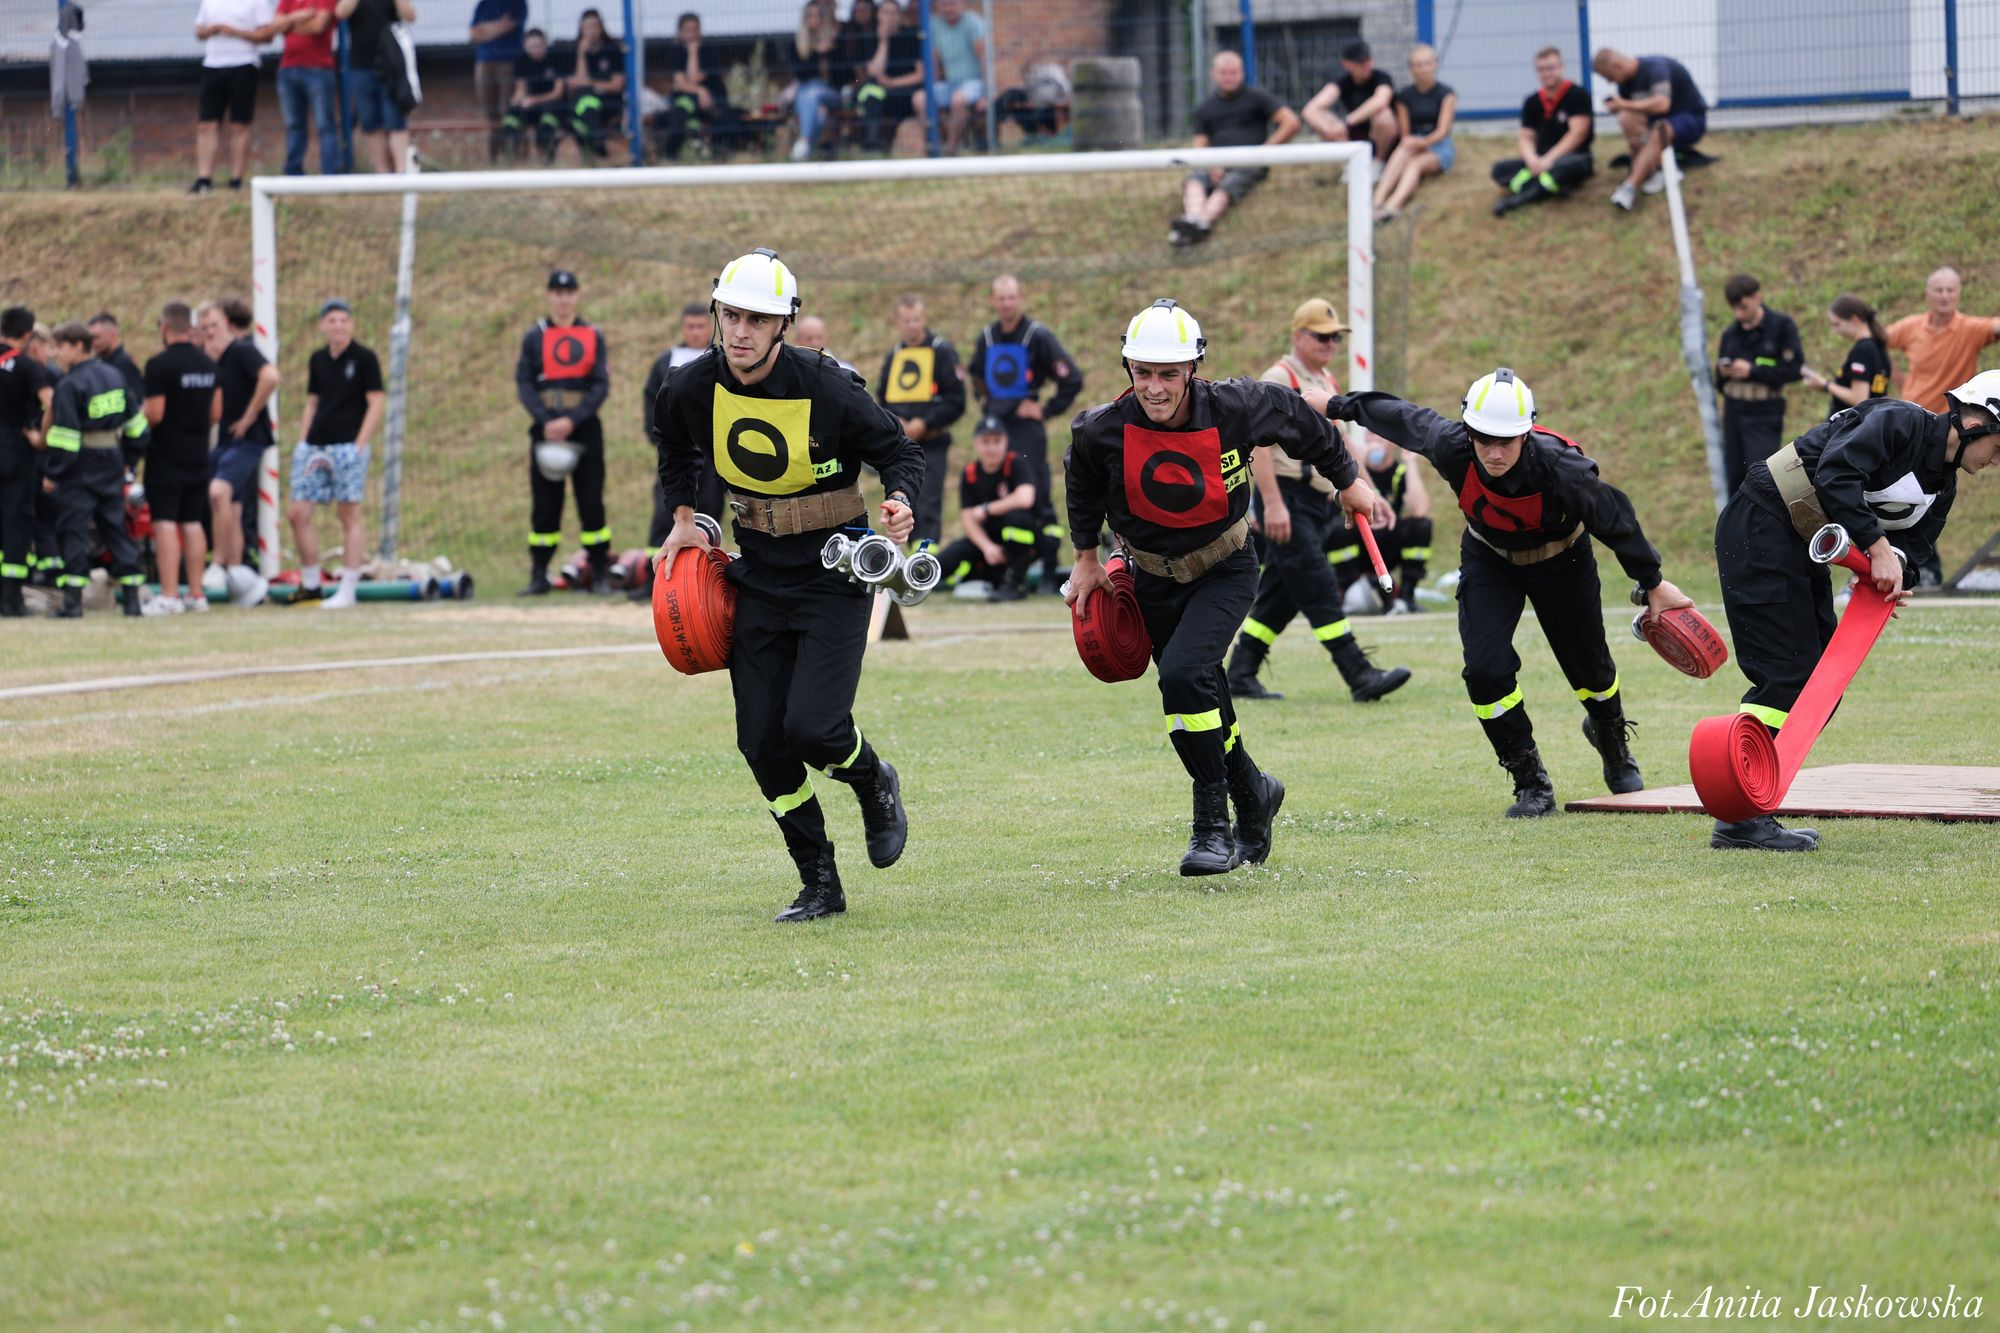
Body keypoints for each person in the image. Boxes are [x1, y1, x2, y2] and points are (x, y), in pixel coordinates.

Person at [1066, 299, 1390, 875]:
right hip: (1149, 581)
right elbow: (1082, 480)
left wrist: (1350, 480)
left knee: (1185, 677)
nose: (1157, 388)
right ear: (1127, 369)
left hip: (1227, 567)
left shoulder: (1238, 406)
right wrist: (1087, 559)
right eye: (1144, 372)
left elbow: (1303, 421)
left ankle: (1211, 828)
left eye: (1169, 374)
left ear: (1192, 368)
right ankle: (1254, 791)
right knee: (1200, 697)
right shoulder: (1100, 430)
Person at [652, 248, 924, 923]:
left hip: (834, 573)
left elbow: (899, 449)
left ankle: (872, 780)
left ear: (784, 324)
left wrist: (899, 499)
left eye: (757, 318)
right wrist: (686, 520)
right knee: (761, 742)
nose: (740, 330)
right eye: (731, 314)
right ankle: (819, 881)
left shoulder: (827, 387)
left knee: (814, 727)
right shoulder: (691, 387)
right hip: (758, 575)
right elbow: (676, 443)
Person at [1326, 369, 1695, 817]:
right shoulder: (1451, 445)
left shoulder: (1564, 468)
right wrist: (1334, 405)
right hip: (1489, 560)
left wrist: (1652, 582)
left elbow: (1615, 519)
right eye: (1484, 439)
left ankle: (1612, 741)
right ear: (1469, 430)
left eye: (1506, 441)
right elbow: (1401, 416)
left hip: (1564, 561)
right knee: (1484, 672)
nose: (1494, 452)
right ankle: (1530, 782)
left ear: (1527, 432)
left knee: (1592, 671)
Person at [1711, 374, 2000, 850]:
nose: (1996, 460)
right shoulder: (1897, 422)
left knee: (1820, 684)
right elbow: (1836, 471)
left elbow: (1916, 550)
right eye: (1998, 444)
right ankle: (1739, 817)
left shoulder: (1943, 488)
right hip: (1762, 522)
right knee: (1788, 675)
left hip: (1799, 543)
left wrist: (1892, 571)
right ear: (1974, 420)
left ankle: (1752, 805)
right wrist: (1877, 546)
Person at [1223, 299, 1411, 704]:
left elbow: (1340, 444)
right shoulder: (1279, 375)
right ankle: (1359, 673)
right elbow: (1254, 446)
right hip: (1287, 498)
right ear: (1298, 336)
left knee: (1283, 593)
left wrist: (1369, 490)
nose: (1330, 343)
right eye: (1321, 336)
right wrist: (1270, 504)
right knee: (1319, 584)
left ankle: (1239, 672)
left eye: (1335, 337)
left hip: (1316, 501)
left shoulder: (1325, 379)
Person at [969, 274, 1084, 589]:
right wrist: (986, 403)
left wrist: (1045, 410)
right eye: (1000, 298)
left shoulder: (1037, 336)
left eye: (1011, 297)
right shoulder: (987, 337)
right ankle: (1008, 572)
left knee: (1037, 495)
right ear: (993, 301)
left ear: (1021, 298)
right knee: (999, 494)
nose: (1006, 303)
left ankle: (1048, 573)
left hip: (1026, 432)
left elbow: (1071, 378)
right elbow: (975, 374)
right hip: (997, 429)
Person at [515, 269, 612, 595]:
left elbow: (601, 384)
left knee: (591, 503)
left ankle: (599, 572)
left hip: (584, 430)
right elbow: (524, 382)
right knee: (544, 505)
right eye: (557, 292)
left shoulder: (592, 334)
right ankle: (538, 573)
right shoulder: (535, 337)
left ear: (577, 295)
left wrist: (573, 419)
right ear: (549, 296)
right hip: (546, 430)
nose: (563, 298)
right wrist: (545, 420)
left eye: (569, 292)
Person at [43, 323, 148, 619]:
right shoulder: (114, 375)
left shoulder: (69, 385)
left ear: (78, 346)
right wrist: (129, 459)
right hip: (112, 462)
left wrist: (53, 473)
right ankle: (132, 601)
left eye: (60, 346)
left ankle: (73, 603)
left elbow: (65, 437)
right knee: (116, 528)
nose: (55, 353)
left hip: (79, 468)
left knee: (73, 530)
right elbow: (137, 427)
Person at [289, 299, 383, 608]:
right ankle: (312, 583)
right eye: (332, 320)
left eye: (343, 320)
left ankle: (348, 589)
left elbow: (376, 402)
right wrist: (304, 440)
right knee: (298, 512)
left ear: (352, 324)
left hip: (347, 447)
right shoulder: (317, 359)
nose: (338, 326)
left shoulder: (365, 358)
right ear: (322, 325)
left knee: (348, 513)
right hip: (316, 446)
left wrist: (359, 444)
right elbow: (313, 402)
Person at [140, 302, 221, 616]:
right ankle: (196, 594)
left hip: (166, 455)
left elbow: (155, 414)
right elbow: (216, 413)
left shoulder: (159, 365)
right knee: (192, 522)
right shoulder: (209, 365)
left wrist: (140, 421)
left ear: (164, 328)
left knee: (165, 523)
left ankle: (170, 595)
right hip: (199, 453)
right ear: (190, 329)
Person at [1171, 50, 1299, 248]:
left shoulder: (1257, 97)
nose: (1229, 77)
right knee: (1194, 181)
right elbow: (1200, 145)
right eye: (1224, 73)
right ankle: (1192, 219)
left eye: (1234, 72)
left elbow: (1290, 122)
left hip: (1248, 164)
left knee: (1227, 187)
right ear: (1214, 74)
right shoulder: (1206, 107)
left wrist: (1264, 153)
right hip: (1216, 164)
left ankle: (1203, 221)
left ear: (1242, 73)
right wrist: (1211, 166)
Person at [876, 294, 966, 544]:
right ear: (898, 322)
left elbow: (956, 400)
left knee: (928, 504)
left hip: (932, 445)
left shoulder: (942, 351)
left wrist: (924, 424)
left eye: (916, 320)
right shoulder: (895, 355)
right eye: (906, 321)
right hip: (901, 446)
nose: (912, 326)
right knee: (903, 500)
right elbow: (882, 400)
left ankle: (924, 564)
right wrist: (898, 423)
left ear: (923, 319)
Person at [203, 298, 276, 604]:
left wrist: (248, 417)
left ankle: (219, 563)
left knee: (219, 492)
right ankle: (237, 575)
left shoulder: (243, 350)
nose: (210, 333)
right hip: (226, 441)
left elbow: (271, 377)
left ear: (228, 325)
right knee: (230, 507)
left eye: (215, 326)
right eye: (205, 329)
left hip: (247, 440)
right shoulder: (217, 359)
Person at [642, 302, 718, 568]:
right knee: (667, 510)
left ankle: (702, 572)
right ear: (683, 328)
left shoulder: (723, 359)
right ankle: (655, 572)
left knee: (709, 508)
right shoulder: (667, 361)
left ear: (709, 327)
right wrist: (661, 440)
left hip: (714, 454)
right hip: (677, 451)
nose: (696, 332)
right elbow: (652, 401)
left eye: (701, 326)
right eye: (690, 326)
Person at [1714, 274, 1804, 495]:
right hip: (1734, 412)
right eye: (1734, 308)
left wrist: (1752, 370)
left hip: (1763, 414)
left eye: (1743, 307)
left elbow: (1793, 370)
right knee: (1733, 478)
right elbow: (1719, 382)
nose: (1738, 314)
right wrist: (1725, 372)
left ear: (1757, 297)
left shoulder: (1781, 327)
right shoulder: (1731, 334)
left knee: (1760, 479)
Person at [1593, 48, 1707, 212]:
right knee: (1626, 116)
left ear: (1618, 65)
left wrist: (1624, 104)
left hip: (1690, 119)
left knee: (1659, 129)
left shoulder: (1655, 67)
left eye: (1609, 77)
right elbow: (1633, 117)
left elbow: (1662, 104)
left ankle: (1629, 188)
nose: (1610, 82)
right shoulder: (1624, 86)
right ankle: (1656, 169)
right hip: (1657, 126)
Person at [1331, 431, 1432, 614]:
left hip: (1389, 540)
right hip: (1358, 539)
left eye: (1380, 436)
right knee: (1336, 529)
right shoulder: (1349, 470)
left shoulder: (1399, 471)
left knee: (1422, 526)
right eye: (1370, 436)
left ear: (1391, 443)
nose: (1375, 440)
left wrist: (1410, 463)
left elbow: (1420, 509)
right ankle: (1344, 591)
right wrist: (1357, 463)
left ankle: (1407, 596)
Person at [937, 414, 1035, 598]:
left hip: (1018, 542)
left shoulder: (1015, 463)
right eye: (986, 442)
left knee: (1017, 519)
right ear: (976, 443)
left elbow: (1025, 498)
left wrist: (986, 509)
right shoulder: (970, 474)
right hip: (987, 540)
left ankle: (1015, 583)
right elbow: (968, 519)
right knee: (948, 557)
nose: (991, 448)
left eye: (996, 441)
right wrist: (987, 547)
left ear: (1005, 441)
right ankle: (920, 579)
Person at [1492, 46, 1595, 217]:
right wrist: (1532, 160)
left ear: (1561, 67)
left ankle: (1523, 198)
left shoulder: (1577, 95)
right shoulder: (1532, 101)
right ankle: (1549, 186)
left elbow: (1578, 134)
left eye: (1551, 68)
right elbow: (1526, 136)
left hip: (1573, 158)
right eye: (1541, 69)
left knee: (1565, 167)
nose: (1546, 73)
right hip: (1540, 160)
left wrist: (1549, 160)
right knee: (1499, 171)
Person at [1886, 267, 2000, 413]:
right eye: (1939, 290)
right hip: (1911, 414)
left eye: (1950, 290)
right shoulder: (1911, 326)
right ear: (1927, 293)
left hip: (1948, 420)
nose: (1944, 296)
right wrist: (1899, 379)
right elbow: (1876, 340)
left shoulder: (1970, 329)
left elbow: (1995, 326)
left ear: (1958, 293)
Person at [192, 0, 276, 195]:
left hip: (244, 66)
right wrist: (210, 31)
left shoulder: (258, 2)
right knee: (206, 124)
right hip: (212, 66)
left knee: (240, 124)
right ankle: (204, 179)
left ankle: (236, 180)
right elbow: (199, 31)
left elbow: (267, 35)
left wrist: (235, 32)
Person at [1372, 43, 1454, 222]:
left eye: (1428, 63)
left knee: (1414, 164)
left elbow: (1443, 131)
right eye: (1419, 64)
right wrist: (1414, 143)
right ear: (1411, 68)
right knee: (1403, 149)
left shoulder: (1447, 94)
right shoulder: (1404, 96)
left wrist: (1423, 144)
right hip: (1413, 142)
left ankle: (1393, 205)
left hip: (1438, 145)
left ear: (1435, 64)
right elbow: (1405, 133)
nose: (1424, 69)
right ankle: (1377, 200)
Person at [335, 0, 417, 175]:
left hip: (391, 65)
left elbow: (410, 16)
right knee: (371, 122)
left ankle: (402, 172)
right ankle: (382, 172)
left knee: (395, 120)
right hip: (361, 66)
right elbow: (341, 13)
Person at [653, 12, 743, 161]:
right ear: (680, 33)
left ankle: (719, 156)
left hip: (712, 99)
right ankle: (671, 156)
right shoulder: (676, 51)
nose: (692, 34)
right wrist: (693, 54)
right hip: (690, 99)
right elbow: (684, 82)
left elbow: (693, 78)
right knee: (678, 114)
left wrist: (693, 52)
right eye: (688, 30)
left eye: (695, 29)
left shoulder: (709, 50)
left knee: (724, 116)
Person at [0, 306, 40, 618]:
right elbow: (51, 399)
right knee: (15, 522)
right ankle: (11, 600)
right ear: (27, 335)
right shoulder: (26, 366)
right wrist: (41, 436)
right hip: (14, 449)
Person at [1302, 40, 1397, 165]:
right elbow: (1310, 110)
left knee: (1384, 116)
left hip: (1384, 138)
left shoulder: (1381, 78)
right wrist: (1331, 130)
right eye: (1360, 62)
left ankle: (1377, 163)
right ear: (1347, 64)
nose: (1367, 65)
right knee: (1320, 117)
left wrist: (1347, 121)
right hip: (1353, 136)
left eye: (1368, 60)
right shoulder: (1343, 82)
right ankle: (1350, 163)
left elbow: (1380, 101)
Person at [275, 0, 341, 176]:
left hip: (318, 69)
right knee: (294, 125)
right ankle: (293, 173)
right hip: (287, 69)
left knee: (324, 124)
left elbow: (318, 27)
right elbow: (275, 26)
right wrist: (298, 17)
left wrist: (288, 25)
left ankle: (330, 174)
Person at [1802, 295, 1892, 417]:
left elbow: (1859, 399)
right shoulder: (1878, 345)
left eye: (1837, 324)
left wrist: (1825, 384)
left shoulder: (1862, 350)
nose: (1835, 330)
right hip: (1870, 423)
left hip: (1852, 428)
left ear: (1854, 319)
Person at [858, 0, 924, 154]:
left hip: (907, 93)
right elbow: (874, 72)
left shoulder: (912, 35)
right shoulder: (871, 37)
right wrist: (883, 41)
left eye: (893, 13)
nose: (889, 17)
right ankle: (871, 140)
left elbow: (921, 74)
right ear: (878, 16)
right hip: (883, 96)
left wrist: (893, 83)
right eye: (885, 12)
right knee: (869, 90)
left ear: (900, 16)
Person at [470, 0, 527, 163]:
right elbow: (473, 33)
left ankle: (513, 156)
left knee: (507, 111)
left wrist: (485, 29)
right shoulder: (483, 4)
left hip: (508, 60)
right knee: (490, 113)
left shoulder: (517, 3)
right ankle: (493, 158)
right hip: (483, 62)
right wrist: (497, 27)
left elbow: (508, 25)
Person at [926, 0, 987, 155]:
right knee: (921, 99)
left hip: (974, 83)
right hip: (949, 84)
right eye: (943, 4)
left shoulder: (973, 23)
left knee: (958, 99)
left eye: (952, 3)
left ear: (962, 4)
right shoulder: (934, 25)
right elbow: (934, 61)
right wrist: (932, 86)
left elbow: (984, 59)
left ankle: (950, 148)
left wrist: (985, 93)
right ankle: (935, 147)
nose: (948, 8)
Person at [88, 312, 150, 463]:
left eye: (97, 337)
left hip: (120, 448)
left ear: (113, 334)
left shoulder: (124, 364)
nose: (93, 343)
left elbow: (138, 405)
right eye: (90, 339)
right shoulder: (99, 363)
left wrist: (130, 453)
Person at [502, 27, 568, 164]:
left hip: (553, 107)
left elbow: (558, 93)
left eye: (539, 45)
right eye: (532, 46)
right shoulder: (522, 61)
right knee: (511, 114)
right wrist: (517, 101)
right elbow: (521, 90)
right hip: (532, 107)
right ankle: (510, 157)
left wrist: (534, 100)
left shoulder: (556, 59)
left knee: (547, 121)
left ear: (546, 44)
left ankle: (547, 161)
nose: (536, 49)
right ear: (525, 47)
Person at [568, 9, 627, 161]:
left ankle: (593, 142)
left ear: (601, 28)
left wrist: (590, 84)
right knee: (585, 100)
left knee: (586, 101)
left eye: (594, 26)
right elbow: (575, 84)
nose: (591, 31)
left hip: (609, 103)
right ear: (581, 30)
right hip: (584, 105)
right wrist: (581, 55)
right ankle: (597, 141)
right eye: (587, 27)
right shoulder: (574, 50)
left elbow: (616, 85)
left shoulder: (613, 49)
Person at [789, 0, 844, 161]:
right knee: (820, 114)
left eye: (817, 15)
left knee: (811, 93)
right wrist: (815, 53)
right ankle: (812, 153)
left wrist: (828, 53)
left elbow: (842, 77)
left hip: (831, 94)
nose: (813, 19)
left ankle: (805, 141)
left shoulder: (834, 43)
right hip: (808, 95)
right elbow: (800, 75)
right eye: (809, 16)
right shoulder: (796, 44)